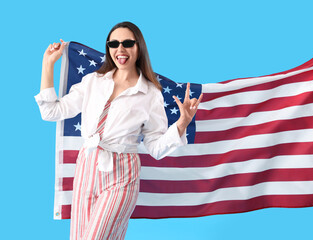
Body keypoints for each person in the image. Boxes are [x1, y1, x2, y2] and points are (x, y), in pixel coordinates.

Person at [34, 21, 203, 240]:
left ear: (138, 47)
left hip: (122, 174)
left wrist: (181, 124)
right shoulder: (93, 81)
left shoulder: (150, 94)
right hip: (86, 167)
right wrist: (48, 65)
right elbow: (51, 112)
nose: (120, 49)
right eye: (114, 43)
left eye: (127, 43)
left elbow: (156, 148)